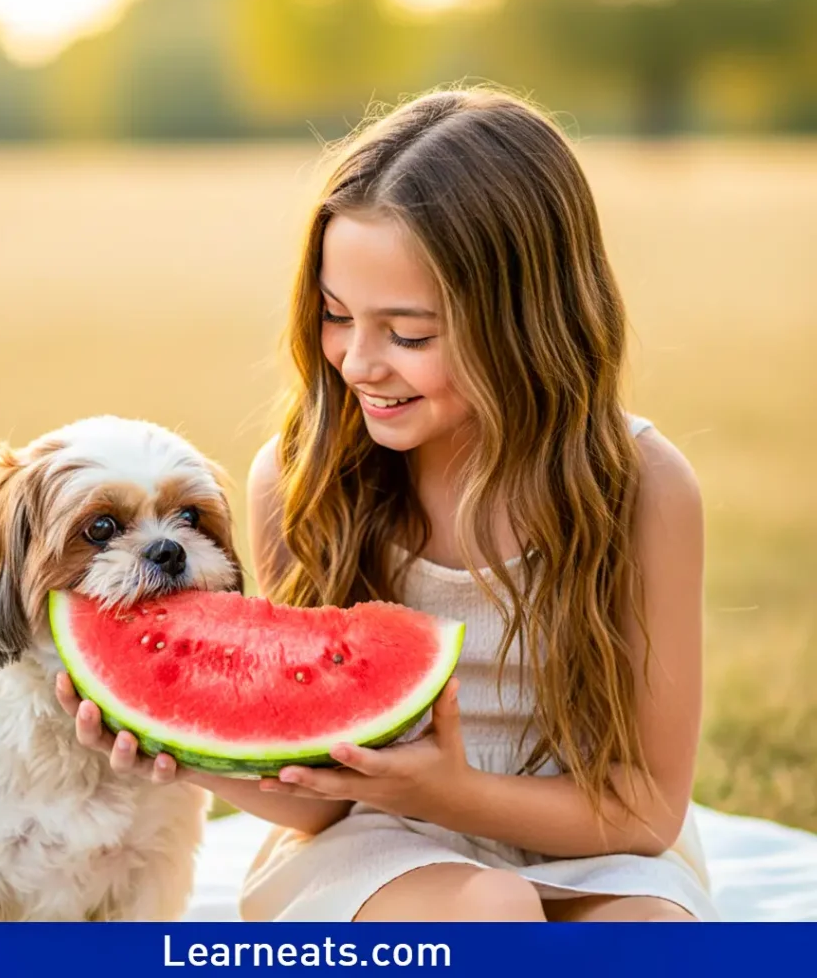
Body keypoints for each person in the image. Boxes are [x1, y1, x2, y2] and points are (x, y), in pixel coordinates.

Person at [57, 87, 718, 921]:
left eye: (408, 334)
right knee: (492, 913)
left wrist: (457, 791)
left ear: (527, 320)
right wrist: (186, 750)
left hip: (596, 842)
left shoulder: (643, 488)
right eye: (336, 318)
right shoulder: (302, 476)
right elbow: (317, 796)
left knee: (648, 937)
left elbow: (649, 810)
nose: (359, 362)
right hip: (374, 844)